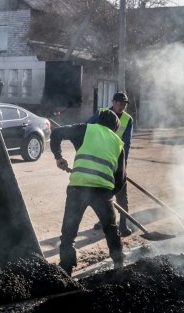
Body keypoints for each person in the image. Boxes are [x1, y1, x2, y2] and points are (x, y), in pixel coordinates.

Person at [51, 109, 126, 276]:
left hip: (78, 188)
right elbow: (121, 179)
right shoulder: (118, 143)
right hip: (103, 191)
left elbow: (56, 133)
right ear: (114, 128)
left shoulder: (86, 128)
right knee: (111, 229)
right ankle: (119, 266)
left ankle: (66, 270)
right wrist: (108, 194)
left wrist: (59, 157)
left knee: (69, 233)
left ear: (98, 121)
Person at [87, 92, 135, 236]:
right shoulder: (101, 113)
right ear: (112, 102)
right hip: (101, 160)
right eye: (119, 103)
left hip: (117, 160)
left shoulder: (128, 119)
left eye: (124, 104)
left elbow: (126, 144)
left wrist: (122, 164)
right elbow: (87, 127)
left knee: (121, 193)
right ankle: (104, 220)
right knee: (103, 192)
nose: (122, 106)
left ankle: (123, 226)